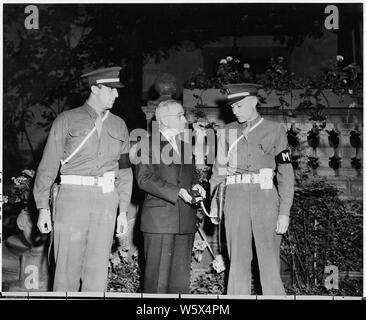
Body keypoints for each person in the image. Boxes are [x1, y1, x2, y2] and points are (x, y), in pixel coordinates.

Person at [33, 66, 133, 292]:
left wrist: (123, 211)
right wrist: (43, 207)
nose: (117, 94)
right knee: (66, 270)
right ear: (96, 89)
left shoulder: (119, 125)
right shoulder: (67, 120)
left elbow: (125, 171)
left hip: (107, 202)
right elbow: (48, 165)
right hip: (72, 200)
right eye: (112, 90)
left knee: (97, 272)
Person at [209, 83, 294, 295]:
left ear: (254, 102)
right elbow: (218, 170)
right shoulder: (226, 131)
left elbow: (286, 174)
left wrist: (284, 212)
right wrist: (215, 203)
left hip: (265, 198)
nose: (234, 110)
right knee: (237, 261)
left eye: (239, 106)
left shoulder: (275, 130)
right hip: (234, 198)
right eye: (232, 107)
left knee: (269, 260)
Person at [134, 99, 205, 293]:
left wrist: (197, 186)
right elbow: (144, 179)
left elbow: (190, 178)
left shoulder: (185, 147)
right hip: (160, 223)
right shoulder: (147, 144)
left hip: (185, 222)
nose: (185, 119)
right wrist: (178, 192)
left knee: (179, 284)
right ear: (164, 120)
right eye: (180, 115)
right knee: (157, 284)